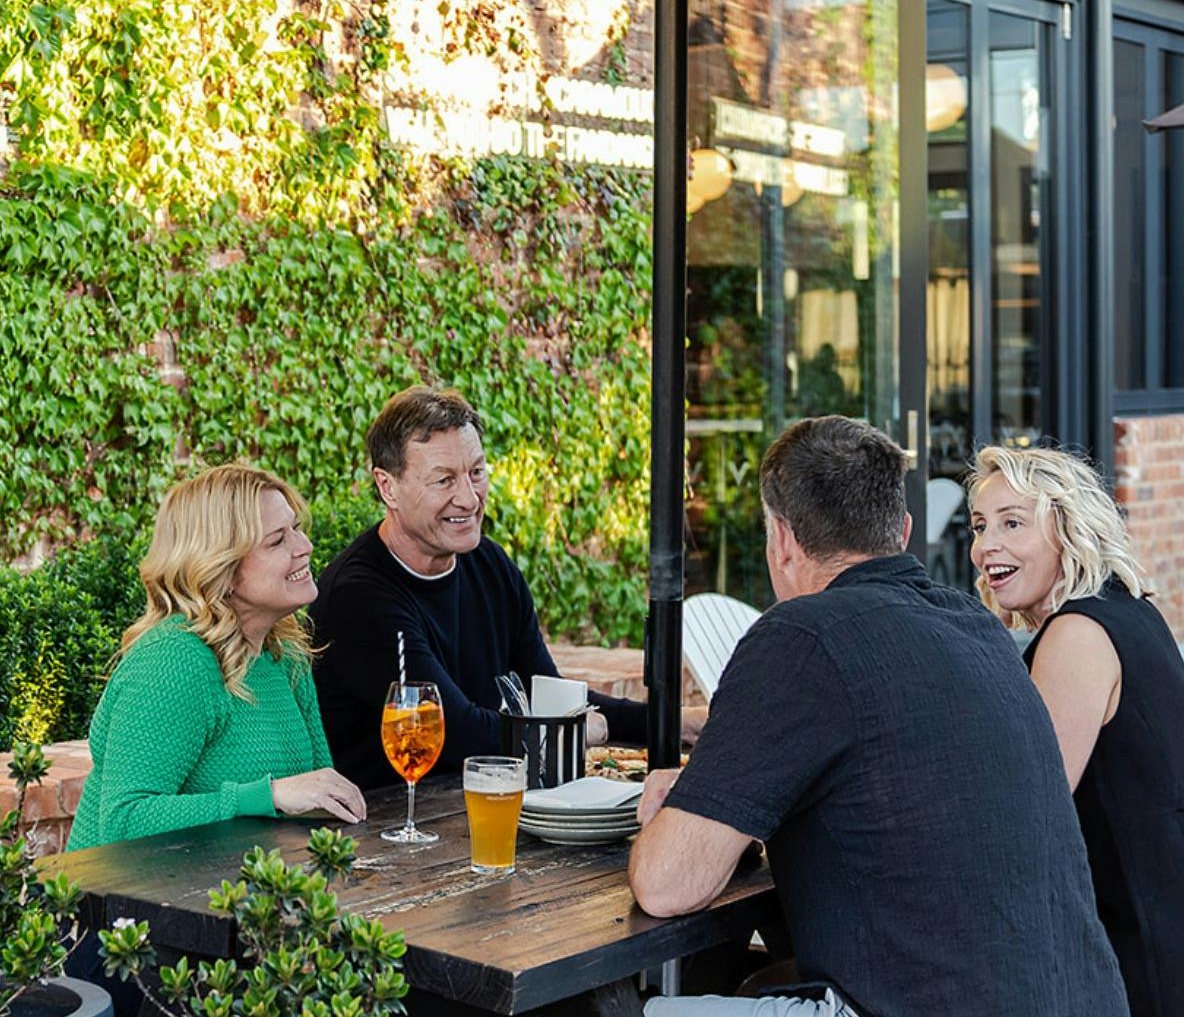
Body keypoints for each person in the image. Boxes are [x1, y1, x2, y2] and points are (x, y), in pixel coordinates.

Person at [629, 416, 1125, 1017]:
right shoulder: (980, 629)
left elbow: (666, 885)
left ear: (781, 539)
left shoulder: (800, 635)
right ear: (904, 530)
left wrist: (683, 810)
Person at [311, 386, 661, 791]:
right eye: (444, 480)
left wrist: (668, 722)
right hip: (387, 829)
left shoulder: (489, 564)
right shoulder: (359, 597)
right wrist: (581, 731)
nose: (469, 498)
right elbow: (454, 733)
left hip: (479, 804)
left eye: (476, 472)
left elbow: (544, 692)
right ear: (387, 487)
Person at [970, 445, 1184, 1017]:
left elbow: (1030, 808)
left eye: (1013, 523)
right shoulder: (1125, 608)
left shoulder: (1078, 633)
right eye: (980, 525)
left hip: (1141, 958)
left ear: (1067, 529)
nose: (987, 544)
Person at [66, 464, 365, 850]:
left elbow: (319, 799)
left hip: (236, 896)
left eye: (297, 528)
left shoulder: (284, 652)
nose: (304, 546)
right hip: (121, 904)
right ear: (219, 567)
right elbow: (124, 822)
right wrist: (268, 795)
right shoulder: (173, 662)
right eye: (277, 541)